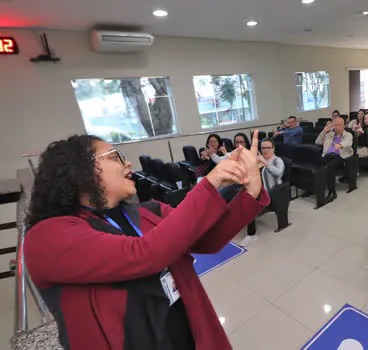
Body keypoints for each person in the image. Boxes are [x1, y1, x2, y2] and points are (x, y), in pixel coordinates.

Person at [24, 132, 268, 350]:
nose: (127, 163)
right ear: (79, 170)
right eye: (114, 156)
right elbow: (144, 254)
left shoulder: (146, 212)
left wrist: (250, 193)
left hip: (182, 332)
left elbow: (206, 240)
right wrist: (210, 184)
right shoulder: (48, 237)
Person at [239, 138, 285, 247]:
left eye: (268, 148)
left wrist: (264, 163)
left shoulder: (277, 160)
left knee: (249, 202)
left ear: (273, 148)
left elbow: (278, 173)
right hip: (257, 190)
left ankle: (252, 234)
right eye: (263, 148)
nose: (265, 150)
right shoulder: (259, 160)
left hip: (271, 192)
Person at [315, 116, 353, 202]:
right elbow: (317, 142)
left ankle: (332, 192)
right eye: (335, 125)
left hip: (340, 156)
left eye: (339, 125)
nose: (337, 127)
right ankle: (312, 188)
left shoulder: (348, 135)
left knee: (330, 167)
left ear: (343, 126)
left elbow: (348, 142)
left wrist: (340, 145)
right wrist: (324, 131)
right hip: (327, 155)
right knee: (315, 164)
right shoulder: (329, 134)